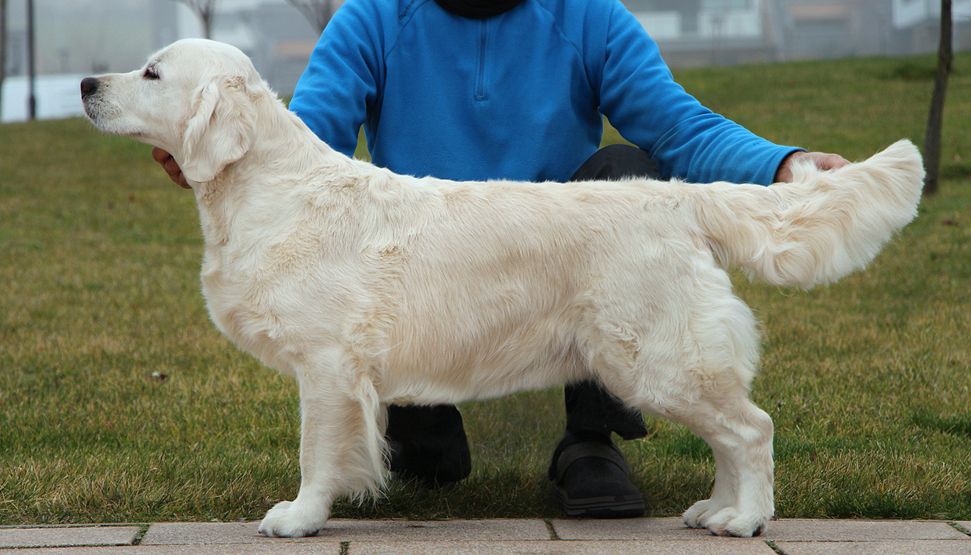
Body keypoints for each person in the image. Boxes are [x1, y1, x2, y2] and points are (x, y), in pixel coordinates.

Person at [153, 0, 848, 518]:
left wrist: (781, 165)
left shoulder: (586, 15)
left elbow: (678, 125)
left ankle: (588, 440)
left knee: (625, 173)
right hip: (425, 283)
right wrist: (216, 147)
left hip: (560, 259)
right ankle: (423, 432)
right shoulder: (373, 15)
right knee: (429, 469)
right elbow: (306, 143)